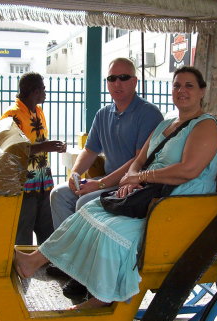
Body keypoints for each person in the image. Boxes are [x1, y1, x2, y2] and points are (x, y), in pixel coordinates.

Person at [14, 66, 217, 310]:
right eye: (177, 85)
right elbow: (139, 160)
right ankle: (35, 261)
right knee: (90, 209)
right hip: (152, 194)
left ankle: (105, 296)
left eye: (189, 85)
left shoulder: (205, 125)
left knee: (111, 227)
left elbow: (189, 170)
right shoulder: (166, 124)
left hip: (178, 202)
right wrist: (132, 178)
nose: (182, 91)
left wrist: (141, 177)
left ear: (202, 91)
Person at [47, 57, 163, 295]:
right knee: (59, 195)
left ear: (135, 82)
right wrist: (76, 173)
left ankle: (85, 272)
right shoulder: (103, 114)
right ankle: (67, 260)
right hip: (107, 182)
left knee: (83, 201)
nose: (117, 83)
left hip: (133, 187)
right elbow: (90, 150)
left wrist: (99, 183)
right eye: (112, 78)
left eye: (124, 78)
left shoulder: (148, 113)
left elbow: (138, 160)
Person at [1, 72, 66, 246]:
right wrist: (44, 147)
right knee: (23, 231)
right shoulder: (12, 115)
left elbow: (39, 141)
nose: (45, 93)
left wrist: (56, 145)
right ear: (35, 91)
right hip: (23, 185)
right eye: (43, 89)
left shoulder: (37, 112)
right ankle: (23, 270)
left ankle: (47, 266)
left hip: (43, 182)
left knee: (47, 228)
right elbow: (9, 149)